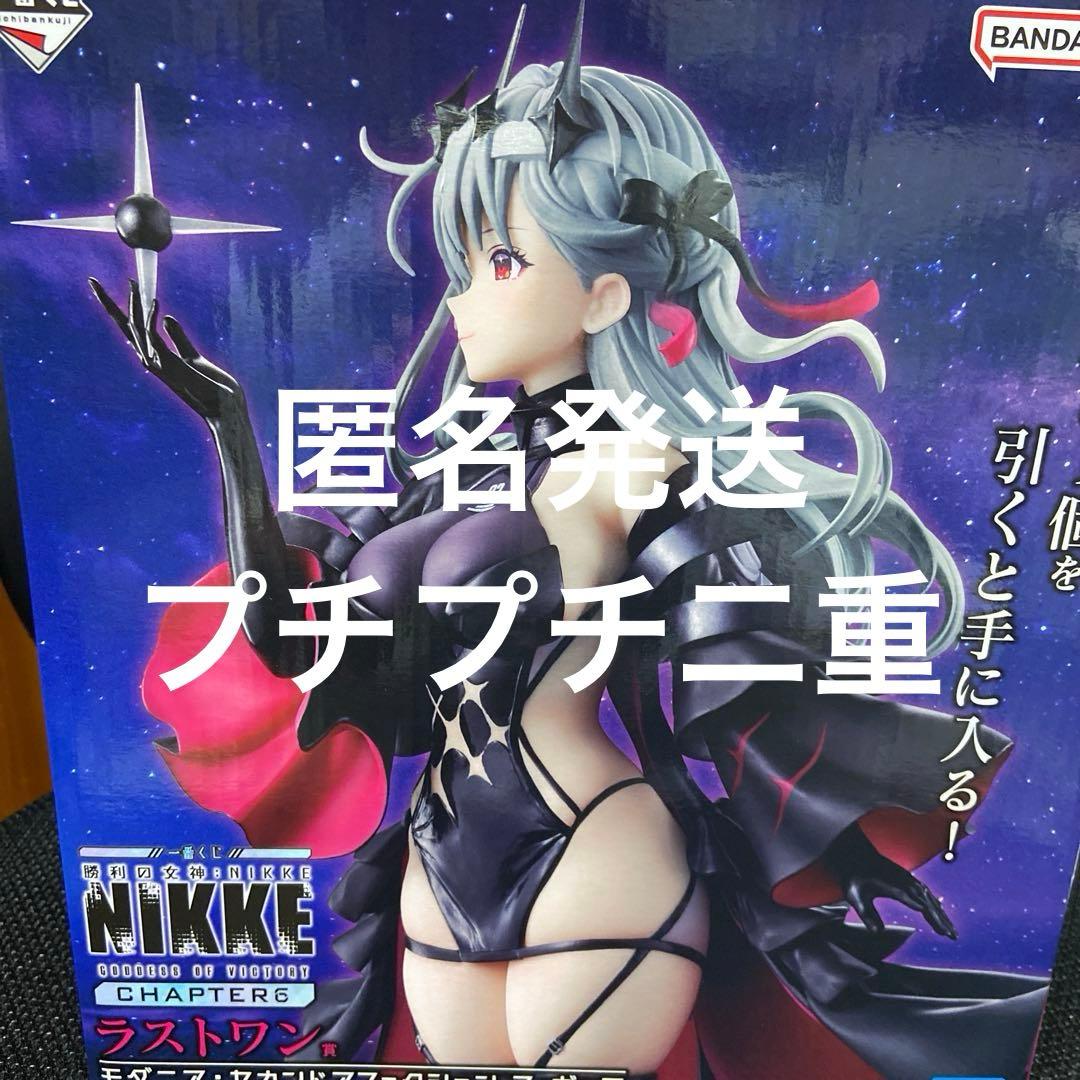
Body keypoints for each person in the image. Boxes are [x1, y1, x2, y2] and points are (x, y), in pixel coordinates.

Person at [89, 3, 1048, 1077]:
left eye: (499, 260)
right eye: (461, 261)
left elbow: (747, 659)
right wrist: (228, 429)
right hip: (439, 859)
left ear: (604, 294)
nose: (460, 297)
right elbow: (291, 639)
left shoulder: (639, 461)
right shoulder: (444, 477)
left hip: (593, 836)